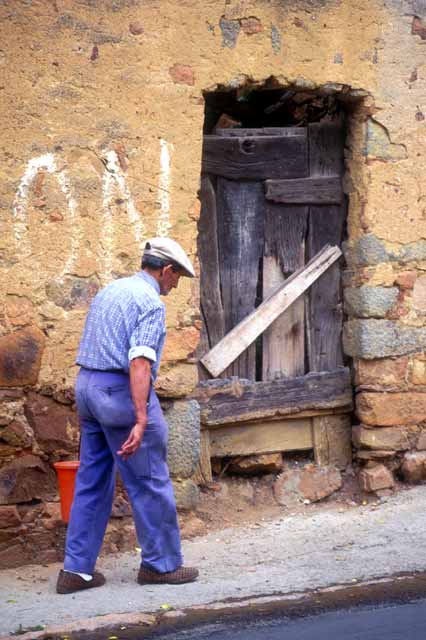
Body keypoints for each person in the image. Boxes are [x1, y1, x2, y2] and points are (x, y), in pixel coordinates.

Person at [56, 238, 199, 594]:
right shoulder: (150, 302)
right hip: (119, 393)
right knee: (149, 479)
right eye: (177, 276)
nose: (175, 284)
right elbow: (139, 361)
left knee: (92, 479)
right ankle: (161, 565)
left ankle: (76, 571)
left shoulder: (111, 290)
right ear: (165, 270)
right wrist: (140, 417)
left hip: (87, 386)